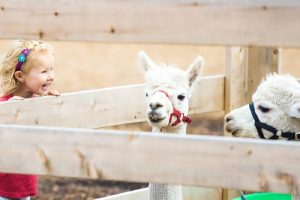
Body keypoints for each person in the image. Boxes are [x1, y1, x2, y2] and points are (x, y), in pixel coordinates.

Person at [0, 40, 59, 200]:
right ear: (20, 76)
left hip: (23, 185)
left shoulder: (36, 103)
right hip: (3, 188)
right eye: (44, 72)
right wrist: (7, 114)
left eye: (52, 69)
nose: (51, 76)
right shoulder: (5, 105)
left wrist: (51, 106)